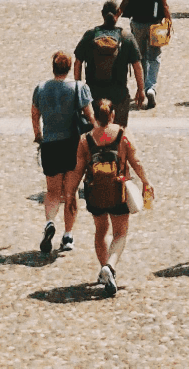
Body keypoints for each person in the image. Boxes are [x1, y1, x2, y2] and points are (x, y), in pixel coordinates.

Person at [69, 96, 153, 294]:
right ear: (113, 115)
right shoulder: (123, 135)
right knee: (120, 233)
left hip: (94, 192)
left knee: (100, 231)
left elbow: (77, 170)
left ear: (95, 117)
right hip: (119, 191)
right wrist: (146, 182)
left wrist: (71, 194)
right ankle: (110, 267)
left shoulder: (85, 139)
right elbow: (136, 161)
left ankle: (104, 270)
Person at [31, 51, 92, 255]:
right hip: (73, 145)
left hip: (50, 144)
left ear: (53, 67)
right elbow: (90, 115)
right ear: (69, 67)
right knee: (71, 191)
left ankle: (49, 222)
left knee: (52, 191)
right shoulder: (79, 87)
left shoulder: (40, 88)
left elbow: (34, 113)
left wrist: (38, 134)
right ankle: (67, 235)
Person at [75, 0, 146, 124]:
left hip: (93, 95)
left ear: (102, 14)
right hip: (118, 96)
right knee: (119, 133)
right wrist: (141, 90)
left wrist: (78, 88)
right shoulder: (126, 37)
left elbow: (77, 63)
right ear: (118, 13)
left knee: (94, 133)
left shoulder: (90, 36)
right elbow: (137, 66)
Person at [118, 0, 171, 110]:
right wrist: (168, 20)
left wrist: (115, 15)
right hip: (155, 25)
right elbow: (164, 4)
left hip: (138, 24)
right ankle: (150, 87)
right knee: (154, 57)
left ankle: (141, 87)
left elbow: (125, 2)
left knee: (139, 58)